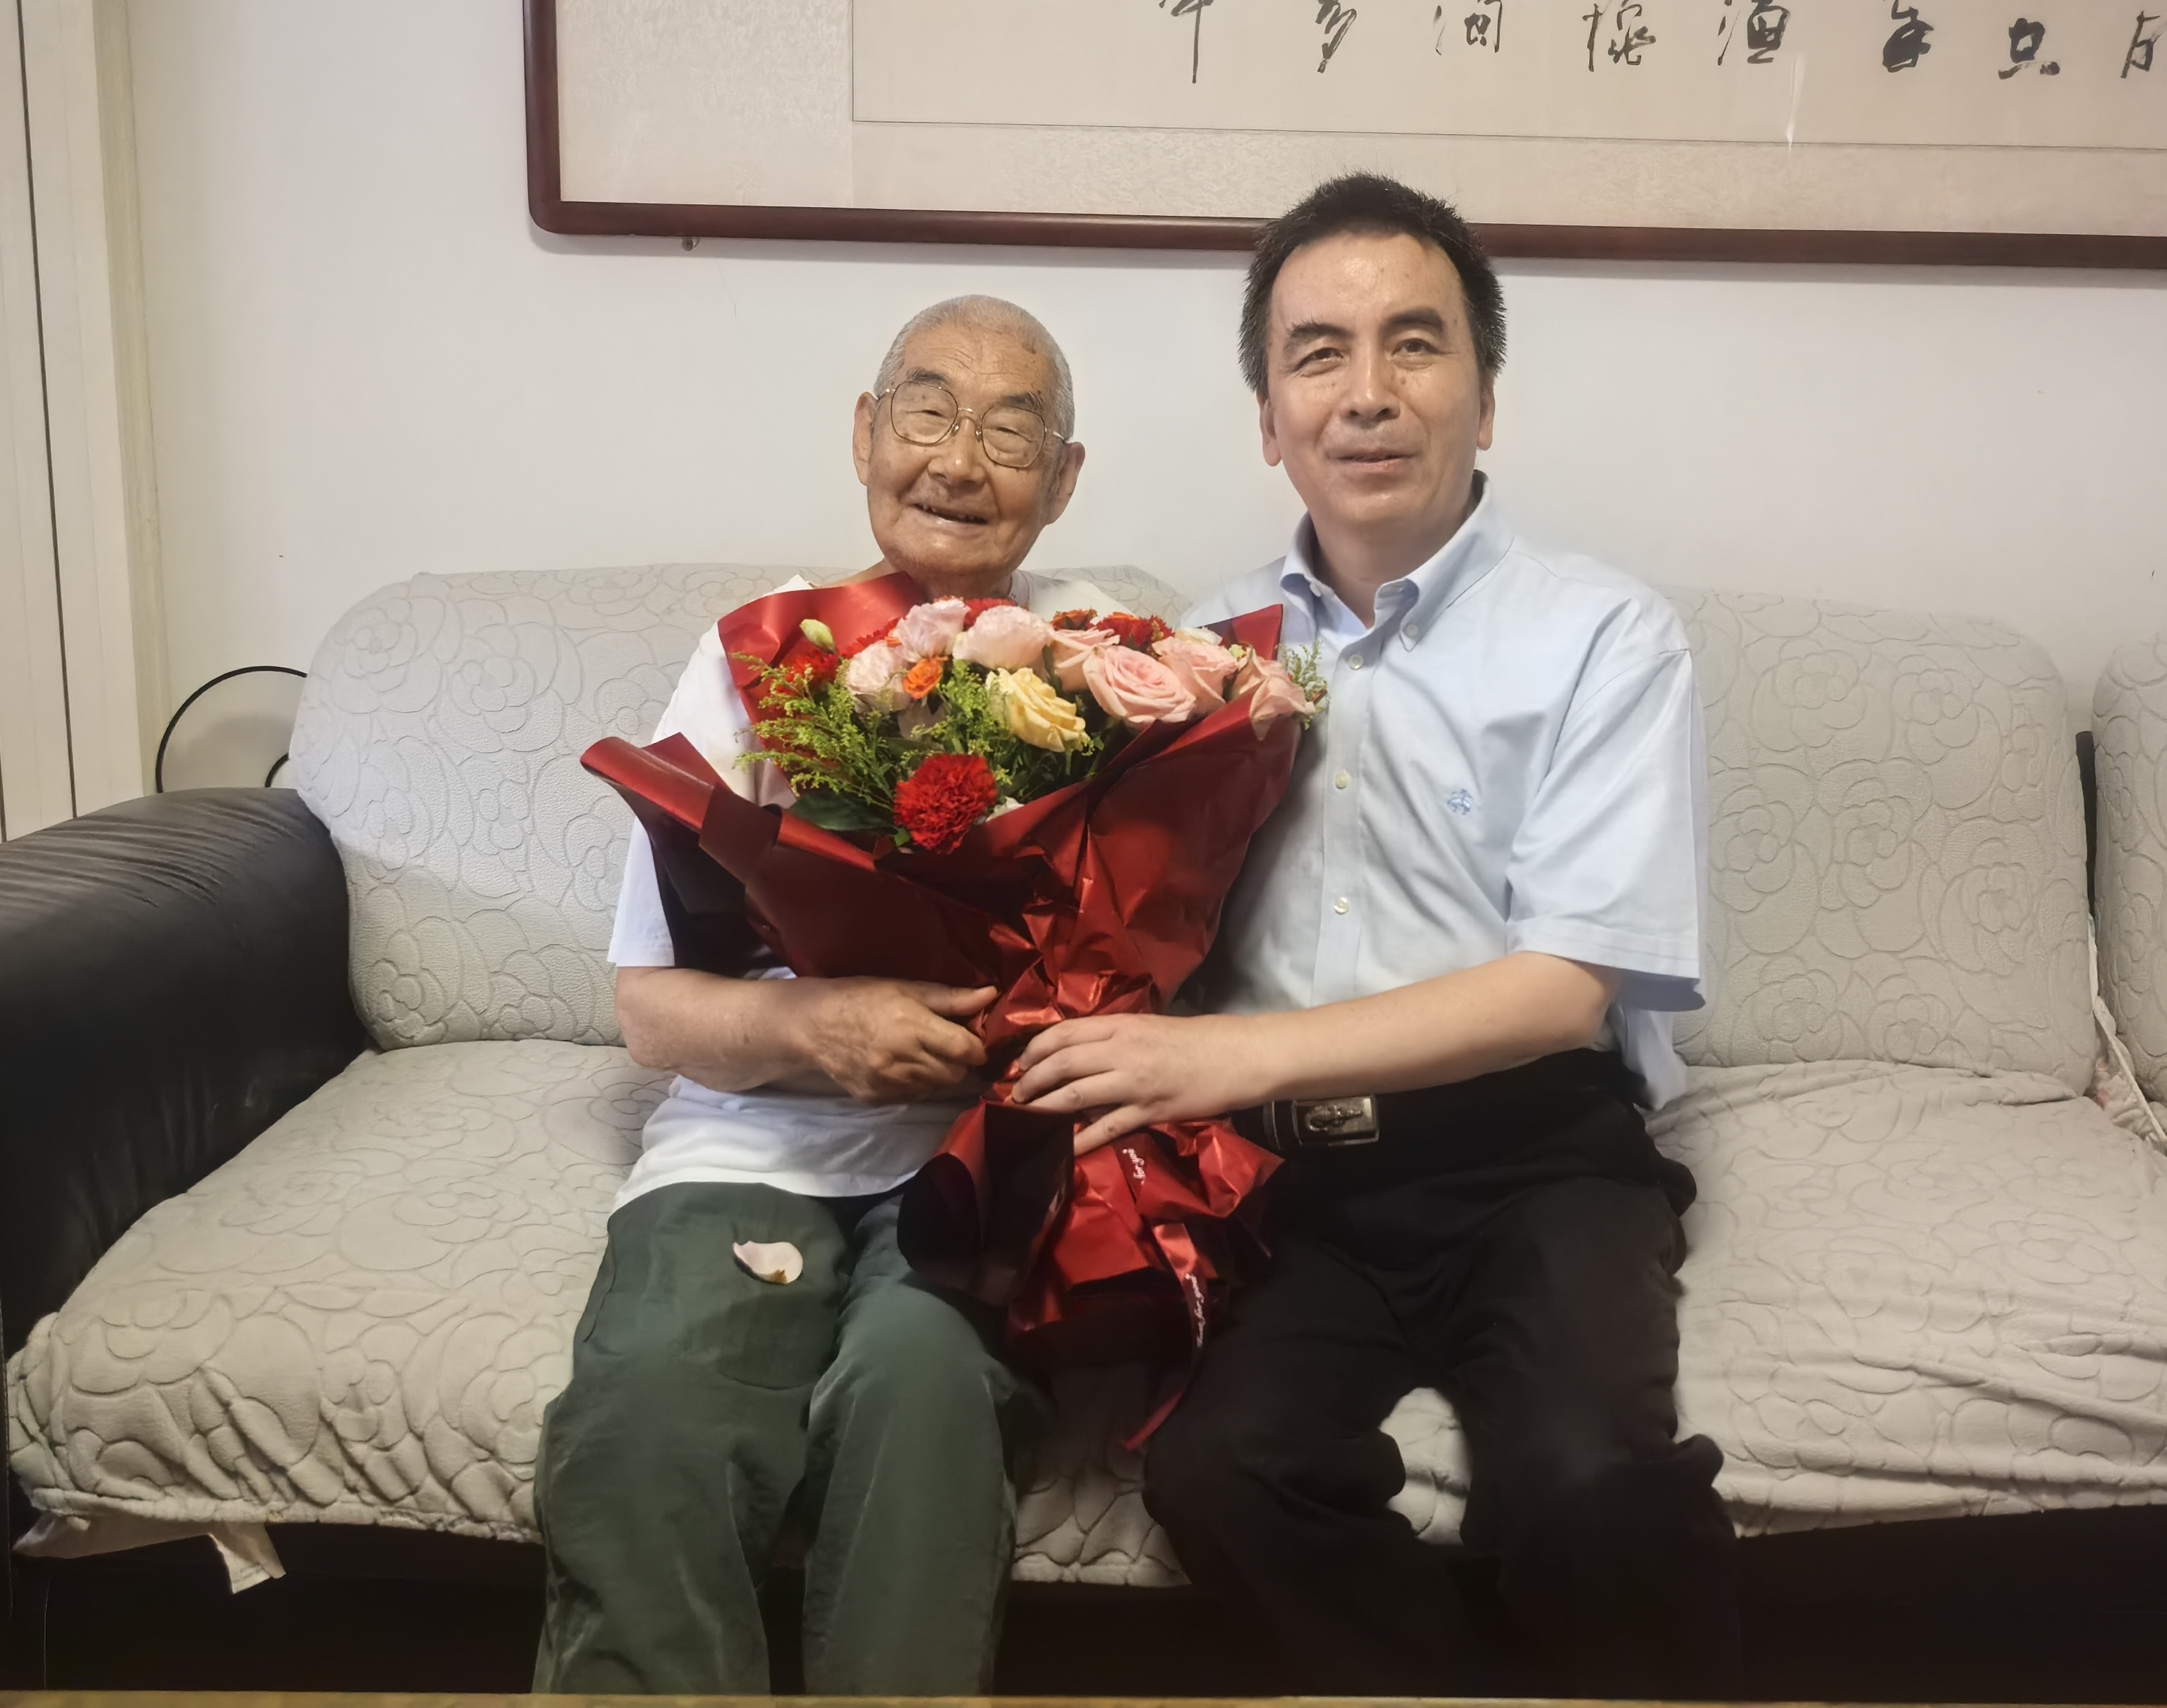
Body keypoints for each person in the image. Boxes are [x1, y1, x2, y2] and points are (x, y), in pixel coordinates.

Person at [1009, 175, 1741, 1696]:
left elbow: (1563, 991)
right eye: (1317, 354)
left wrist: (1223, 1059)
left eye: (1413, 344)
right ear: (1267, 420)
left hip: (1532, 1157)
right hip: (1297, 1188)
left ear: (1485, 398)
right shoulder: (1205, 653)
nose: (1366, 393)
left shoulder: (1602, 636)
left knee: (1587, 1488)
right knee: (1219, 1474)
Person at [535, 295, 1121, 1695]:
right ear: (864, 435)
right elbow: (651, 1011)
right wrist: (816, 1027)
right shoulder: (764, 657)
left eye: (1009, 432)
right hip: (746, 1148)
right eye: (926, 412)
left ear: (1062, 479)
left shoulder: (1106, 675)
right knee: (654, 1412)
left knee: (923, 1394)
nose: (958, 462)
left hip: (979, 1166)